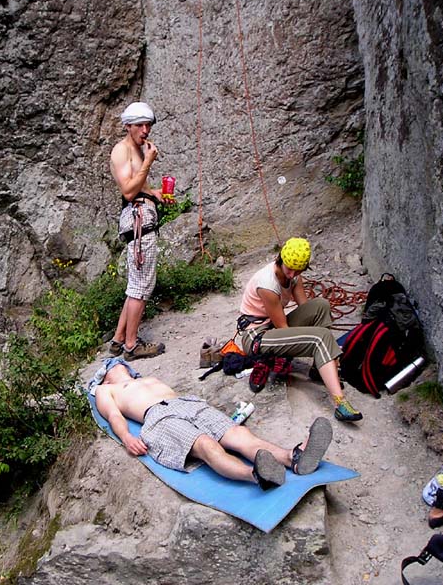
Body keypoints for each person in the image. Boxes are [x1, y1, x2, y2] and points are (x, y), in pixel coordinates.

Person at [89, 357, 334, 489]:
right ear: (105, 375)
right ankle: (257, 475)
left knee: (239, 435)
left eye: (120, 362)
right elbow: (113, 416)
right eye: (112, 364)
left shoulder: (147, 378)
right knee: (205, 444)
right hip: (157, 416)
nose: (118, 363)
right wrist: (127, 438)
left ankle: (293, 458)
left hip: (187, 403)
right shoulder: (105, 390)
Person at [238, 237, 363, 422]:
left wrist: (327, 351)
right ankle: (340, 403)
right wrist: (317, 342)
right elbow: (283, 327)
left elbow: (306, 309)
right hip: (257, 335)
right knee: (320, 338)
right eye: (289, 268)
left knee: (321, 306)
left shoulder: (294, 275)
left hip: (273, 326)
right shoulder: (267, 285)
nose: (292, 274)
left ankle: (318, 368)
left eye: (298, 270)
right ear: (281, 260)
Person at [107, 101, 172, 361]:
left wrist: (154, 193)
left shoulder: (135, 148)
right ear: (128, 126)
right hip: (137, 222)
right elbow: (128, 190)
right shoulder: (122, 151)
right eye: (140, 125)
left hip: (141, 218)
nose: (145, 130)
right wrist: (149, 160)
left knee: (136, 284)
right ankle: (132, 346)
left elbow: (138, 186)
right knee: (142, 287)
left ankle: (118, 339)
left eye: (148, 125)